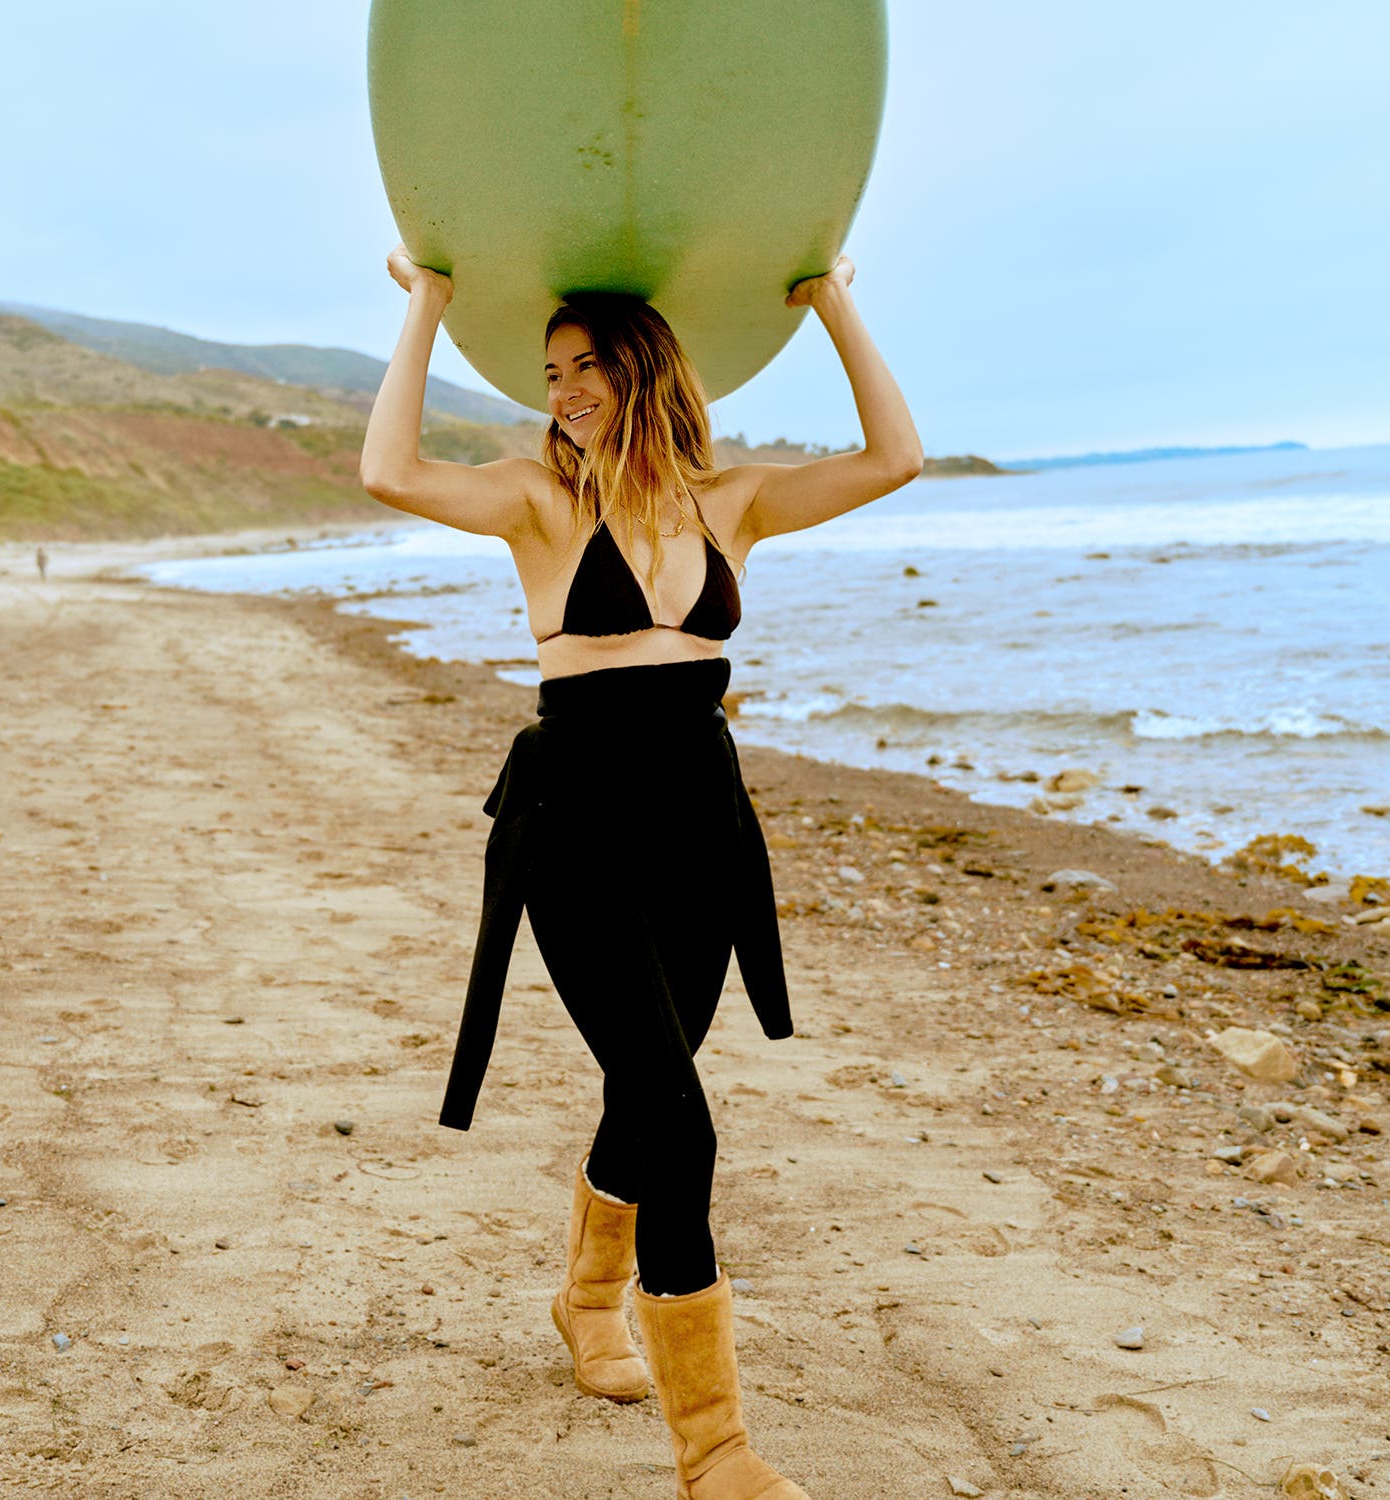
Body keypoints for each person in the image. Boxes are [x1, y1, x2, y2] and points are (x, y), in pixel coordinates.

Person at [360, 244, 921, 1499]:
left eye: (584, 365)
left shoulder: (734, 503)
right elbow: (387, 470)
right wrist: (430, 305)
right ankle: (714, 1450)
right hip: (578, 823)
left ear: (644, 366)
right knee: (679, 1115)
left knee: (647, 1083)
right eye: (549, 371)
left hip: (700, 826)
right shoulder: (536, 503)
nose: (561, 388)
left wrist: (835, 303)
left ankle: (587, 1299)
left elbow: (897, 458)